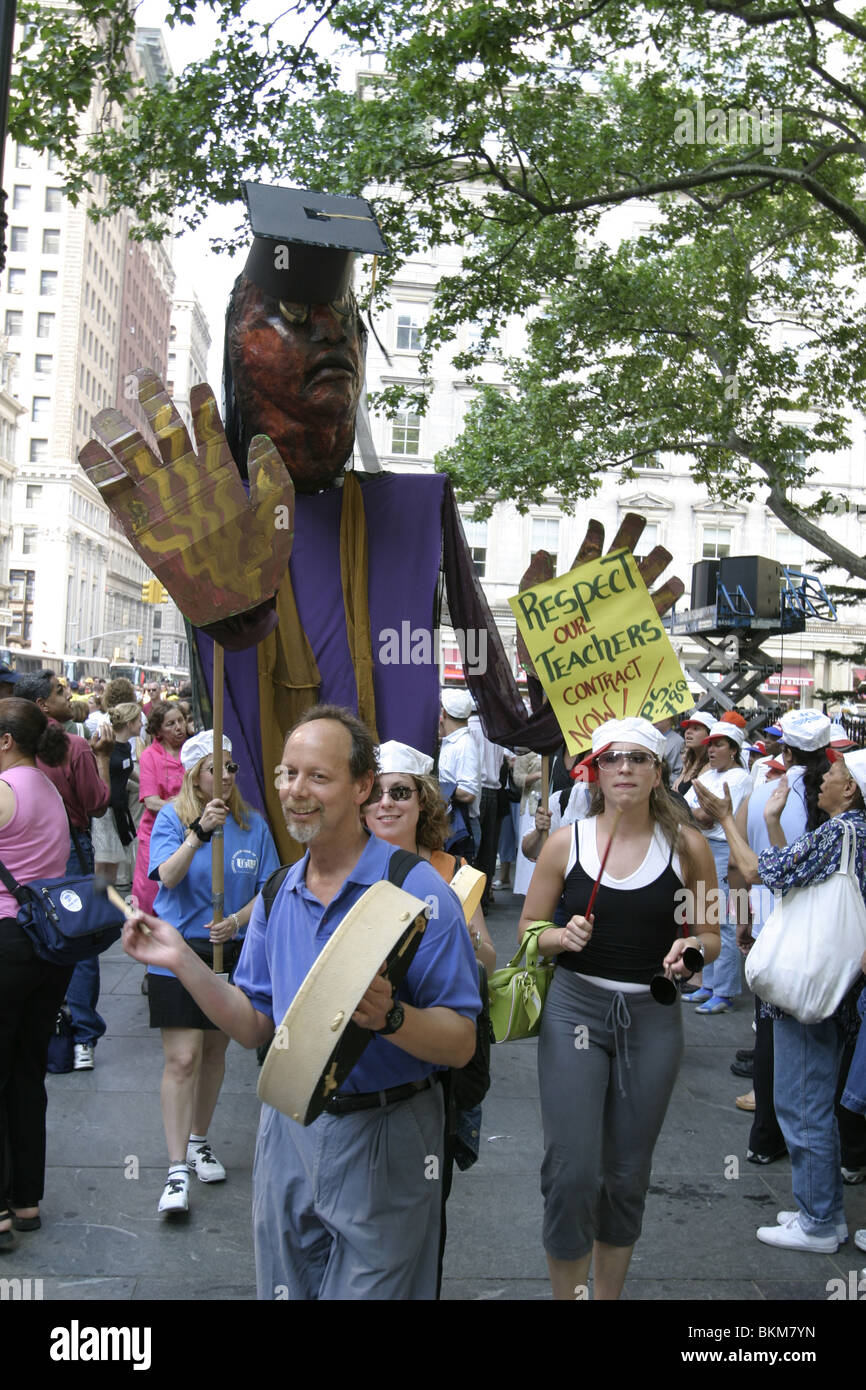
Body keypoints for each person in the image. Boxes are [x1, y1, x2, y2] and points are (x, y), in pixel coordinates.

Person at [122, 704, 479, 1299]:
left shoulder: (419, 891)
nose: (296, 792)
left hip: (389, 1133)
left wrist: (390, 1018)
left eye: (319, 776)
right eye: (288, 774)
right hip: (287, 1129)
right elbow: (254, 1025)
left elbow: (461, 1041)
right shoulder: (277, 890)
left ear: (362, 785)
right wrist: (179, 960)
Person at [520, 716, 719, 1300]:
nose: (625, 768)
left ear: (659, 771)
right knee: (571, 1170)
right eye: (613, 758)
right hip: (575, 1010)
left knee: (627, 1174)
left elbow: (710, 934)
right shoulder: (566, 843)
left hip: (652, 1021)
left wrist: (692, 952)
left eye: (638, 758)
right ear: (596, 771)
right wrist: (559, 938)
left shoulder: (688, 846)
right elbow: (528, 930)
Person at [695, 744, 866, 1252]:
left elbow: (758, 873)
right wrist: (770, 820)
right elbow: (794, 871)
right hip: (836, 986)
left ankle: (817, 1221)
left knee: (802, 1100)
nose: (821, 779)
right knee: (812, 1097)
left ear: (851, 788)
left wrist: (727, 818)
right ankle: (823, 1211)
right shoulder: (852, 834)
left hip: (806, 989)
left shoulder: (843, 831)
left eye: (832, 772)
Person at [146, 730, 279, 1215]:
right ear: (195, 776)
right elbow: (165, 877)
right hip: (179, 950)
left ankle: (200, 1139)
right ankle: (176, 1167)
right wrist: (198, 832)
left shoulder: (253, 825)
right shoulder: (170, 818)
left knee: (215, 1052)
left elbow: (268, 887)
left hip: (233, 952)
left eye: (231, 767)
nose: (226, 775)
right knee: (183, 1057)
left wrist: (236, 922)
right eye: (215, 768)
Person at [0, 699, 73, 1249]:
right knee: (27, 1071)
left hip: (6, 941)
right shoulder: (46, 787)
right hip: (49, 946)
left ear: (6, 740)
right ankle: (25, 1199)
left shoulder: (6, 789)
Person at [16, 671, 113, 1071]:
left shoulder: (18, 750)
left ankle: (43, 1031)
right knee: (78, 938)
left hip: (21, 855)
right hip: (71, 848)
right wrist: (103, 758)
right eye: (59, 691)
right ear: (41, 705)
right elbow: (99, 803)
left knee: (31, 934)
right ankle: (82, 1038)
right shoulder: (74, 747)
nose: (68, 693)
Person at [683, 721, 752, 1014]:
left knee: (724, 921)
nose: (711, 750)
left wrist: (694, 812)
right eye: (710, 744)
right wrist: (695, 812)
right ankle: (708, 984)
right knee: (703, 918)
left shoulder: (739, 778)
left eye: (719, 744)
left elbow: (708, 816)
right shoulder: (710, 774)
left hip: (724, 851)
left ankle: (724, 991)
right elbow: (686, 809)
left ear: (733, 750)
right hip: (704, 847)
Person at [132, 701, 187, 916]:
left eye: (181, 720)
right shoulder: (149, 756)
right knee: (150, 893)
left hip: (188, 833)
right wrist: (184, 805)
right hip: (155, 835)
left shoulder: (192, 750)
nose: (179, 727)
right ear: (158, 731)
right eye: (170, 724)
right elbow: (151, 801)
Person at [91, 702, 142, 896]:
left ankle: (113, 897)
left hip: (120, 808)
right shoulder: (107, 747)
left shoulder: (125, 746)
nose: (142, 725)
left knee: (116, 858)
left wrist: (146, 783)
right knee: (106, 860)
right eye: (139, 720)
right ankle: (101, 899)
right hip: (107, 812)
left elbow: (126, 771)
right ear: (129, 723)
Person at [438, 688, 480, 860]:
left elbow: (468, 793)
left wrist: (440, 788)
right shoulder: (454, 741)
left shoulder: (464, 744)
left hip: (462, 826)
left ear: (445, 712)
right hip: (453, 824)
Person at [672, 711, 714, 796]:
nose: (688, 732)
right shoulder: (688, 762)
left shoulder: (711, 767)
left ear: (709, 735)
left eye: (696, 728)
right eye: (687, 728)